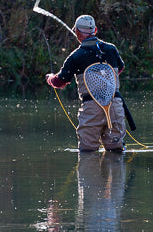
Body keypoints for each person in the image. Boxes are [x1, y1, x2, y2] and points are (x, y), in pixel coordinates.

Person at [46, 14, 127, 152]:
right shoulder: (111, 49)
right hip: (115, 106)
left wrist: (50, 78)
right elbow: (120, 68)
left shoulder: (76, 56)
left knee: (87, 152)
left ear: (77, 32)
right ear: (95, 30)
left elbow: (60, 82)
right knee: (116, 151)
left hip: (92, 109)